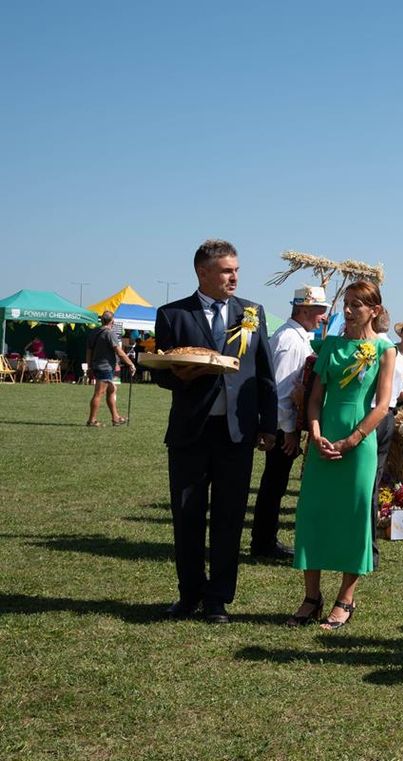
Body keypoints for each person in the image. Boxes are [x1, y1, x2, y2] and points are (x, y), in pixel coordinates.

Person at [153, 239, 277, 623]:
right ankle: (189, 594)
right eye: (226, 270)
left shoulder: (251, 312)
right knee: (187, 514)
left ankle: (218, 598)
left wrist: (268, 425)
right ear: (202, 273)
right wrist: (183, 375)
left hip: (237, 434)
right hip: (190, 432)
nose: (234, 277)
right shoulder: (173, 314)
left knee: (229, 517)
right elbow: (162, 373)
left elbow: (265, 375)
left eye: (236, 270)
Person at [287, 281, 396, 629]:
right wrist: (315, 431)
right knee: (313, 514)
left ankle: (345, 600)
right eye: (346, 304)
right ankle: (311, 597)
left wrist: (352, 440)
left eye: (357, 306)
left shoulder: (384, 349)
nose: (348, 311)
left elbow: (382, 405)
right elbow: (315, 397)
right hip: (323, 439)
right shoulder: (331, 345)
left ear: (374, 310)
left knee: (354, 517)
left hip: (359, 444)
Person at [250, 285, 330, 561]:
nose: (323, 317)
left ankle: (264, 539)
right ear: (305, 309)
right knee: (273, 485)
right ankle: (263, 542)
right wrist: (288, 431)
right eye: (320, 311)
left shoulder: (295, 337)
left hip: (283, 426)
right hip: (283, 429)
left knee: (275, 484)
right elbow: (281, 392)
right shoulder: (290, 340)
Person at [85, 310, 136, 427]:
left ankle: (115, 418)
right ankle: (91, 420)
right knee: (99, 393)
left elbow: (88, 351)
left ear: (102, 320)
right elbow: (118, 351)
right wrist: (130, 364)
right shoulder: (109, 333)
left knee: (111, 390)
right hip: (105, 367)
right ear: (112, 321)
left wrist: (89, 367)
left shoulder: (93, 332)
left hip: (98, 366)